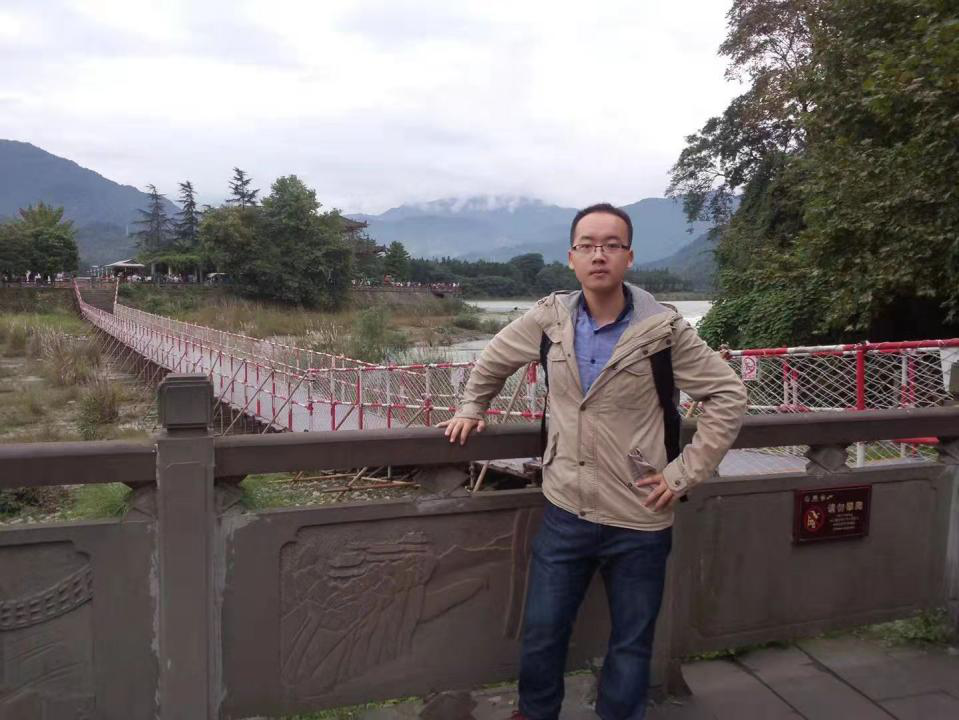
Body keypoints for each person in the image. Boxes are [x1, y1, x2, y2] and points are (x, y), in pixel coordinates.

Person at [439, 203, 747, 720]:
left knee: (632, 640)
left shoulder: (663, 330)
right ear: (572, 257)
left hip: (640, 514)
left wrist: (683, 473)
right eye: (587, 245)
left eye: (610, 245)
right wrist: (472, 406)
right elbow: (494, 358)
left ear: (629, 256)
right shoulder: (549, 319)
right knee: (543, 630)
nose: (598, 255)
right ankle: (536, 713)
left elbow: (728, 395)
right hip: (566, 505)